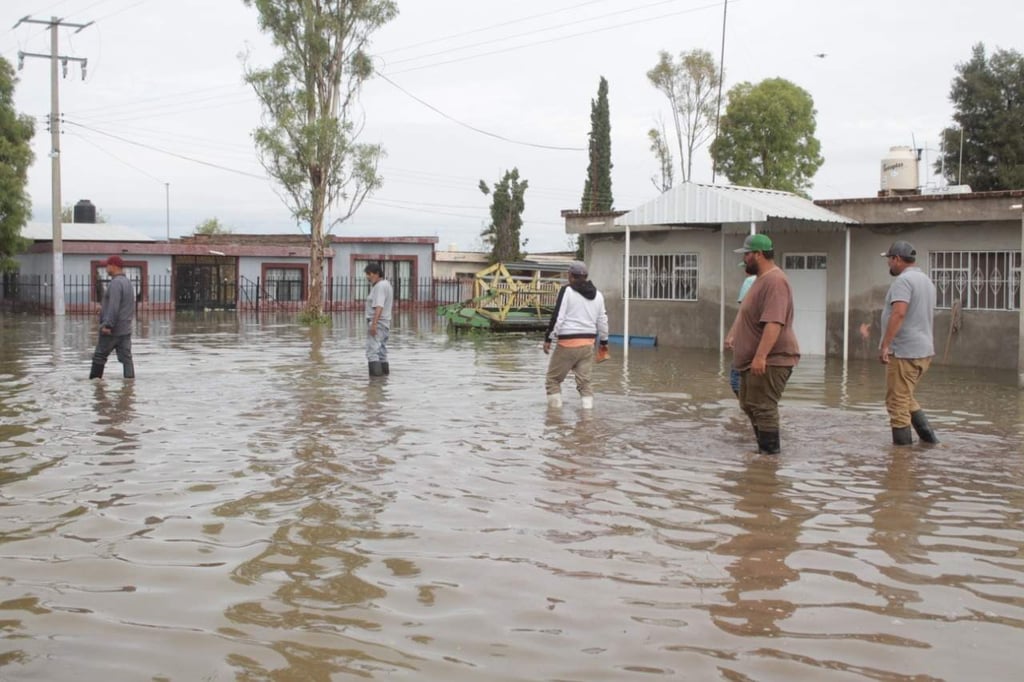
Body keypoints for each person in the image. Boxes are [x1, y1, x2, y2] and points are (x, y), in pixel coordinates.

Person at [727, 234, 800, 454]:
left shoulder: (775, 281)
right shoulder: (760, 280)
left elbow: (774, 322)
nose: (745, 259)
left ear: (758, 255)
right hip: (751, 361)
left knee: (764, 407)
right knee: (749, 405)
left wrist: (761, 356)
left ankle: (769, 459)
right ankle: (762, 458)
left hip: (772, 359)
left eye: (747, 254)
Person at [879, 240, 939, 445]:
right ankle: (930, 442)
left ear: (897, 259)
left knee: (897, 404)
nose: (888, 264)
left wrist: (885, 344)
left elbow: (899, 313)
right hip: (923, 351)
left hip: (905, 352)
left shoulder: (903, 282)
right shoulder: (925, 281)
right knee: (906, 397)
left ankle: (901, 462)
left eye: (889, 259)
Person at [543, 260, 609, 409]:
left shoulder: (567, 291)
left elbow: (558, 317)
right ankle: (587, 416)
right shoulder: (598, 295)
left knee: (553, 380)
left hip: (567, 343)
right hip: (587, 345)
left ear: (570, 276)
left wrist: (548, 338)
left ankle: (555, 417)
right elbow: (603, 320)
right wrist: (604, 342)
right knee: (585, 383)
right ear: (585, 276)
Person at [89, 255, 135, 380]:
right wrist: (103, 308)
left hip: (112, 330)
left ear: (113, 266)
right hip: (125, 330)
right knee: (126, 359)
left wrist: (107, 325)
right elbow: (125, 305)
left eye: (107, 265)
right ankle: (129, 386)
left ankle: (95, 386)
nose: (106, 268)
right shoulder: (127, 283)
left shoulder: (115, 283)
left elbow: (114, 306)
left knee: (99, 357)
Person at [726, 270, 758, 396]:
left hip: (747, 340)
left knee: (736, 382)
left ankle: (746, 410)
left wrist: (732, 335)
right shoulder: (770, 280)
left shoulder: (750, 281)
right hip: (757, 342)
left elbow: (743, 311)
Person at [364, 262, 394, 377]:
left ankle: (374, 386)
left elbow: (379, 306)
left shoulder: (380, 286)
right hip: (385, 324)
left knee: (372, 353)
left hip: (379, 324)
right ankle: (383, 381)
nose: (367, 276)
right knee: (382, 353)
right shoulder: (386, 285)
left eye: (369, 273)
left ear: (377, 273)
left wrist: (374, 324)